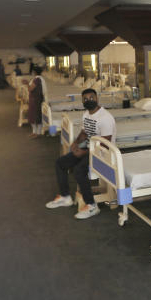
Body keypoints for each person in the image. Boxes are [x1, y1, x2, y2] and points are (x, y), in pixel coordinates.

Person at [45, 88, 116, 219]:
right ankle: (65, 197)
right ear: (82, 101)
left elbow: (105, 144)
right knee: (60, 163)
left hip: (102, 153)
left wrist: (83, 153)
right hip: (89, 148)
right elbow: (84, 133)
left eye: (91, 98)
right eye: (85, 99)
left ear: (97, 98)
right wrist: (76, 143)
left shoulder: (105, 118)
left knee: (79, 170)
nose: (89, 101)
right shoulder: (86, 114)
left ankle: (91, 205)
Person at [26, 67, 44, 138]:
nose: (32, 73)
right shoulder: (37, 79)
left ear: (35, 72)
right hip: (35, 99)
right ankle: (35, 132)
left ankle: (37, 132)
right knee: (34, 116)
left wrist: (27, 83)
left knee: (35, 116)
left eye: (33, 71)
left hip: (35, 100)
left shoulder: (37, 79)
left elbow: (30, 89)